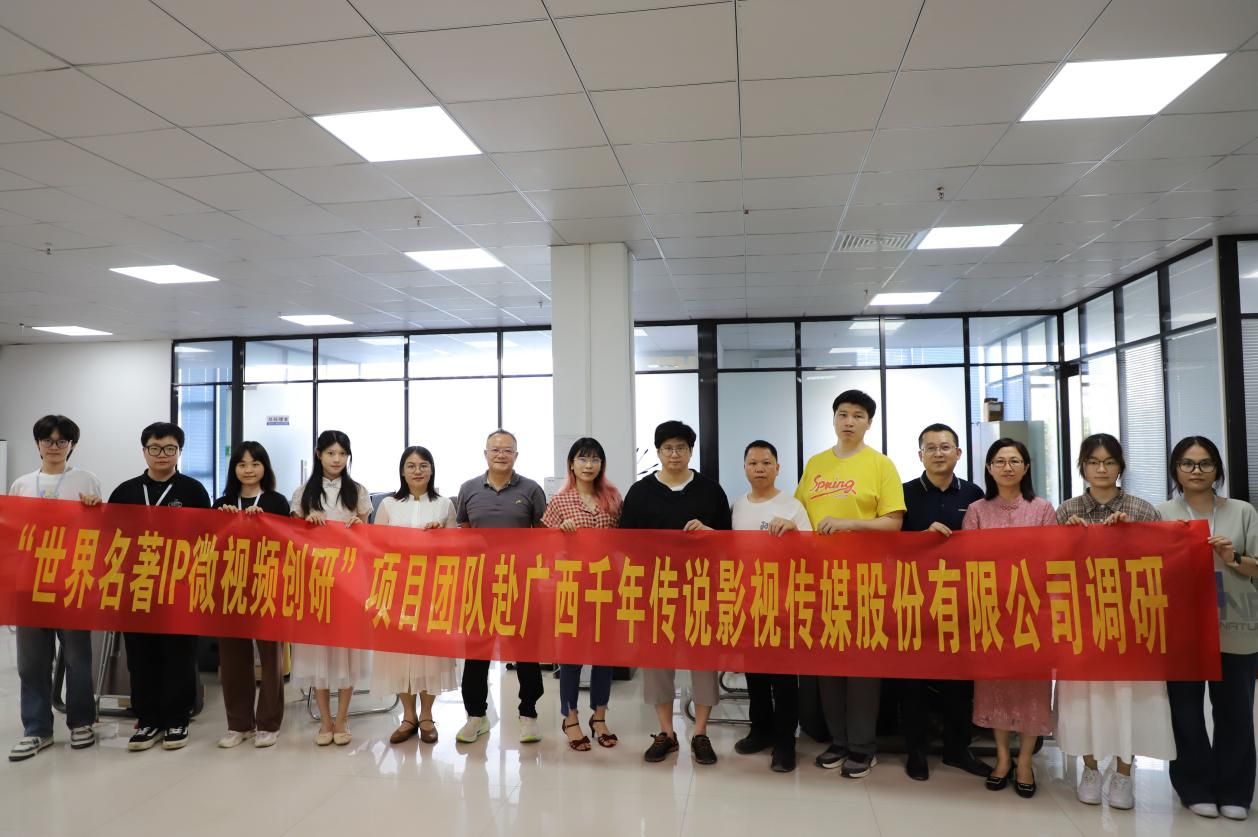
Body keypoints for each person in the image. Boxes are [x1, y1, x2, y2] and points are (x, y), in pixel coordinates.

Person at [1055, 434, 1172, 810]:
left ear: (1121, 466)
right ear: (1083, 467)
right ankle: (1090, 768)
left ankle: (1124, 772)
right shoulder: (1067, 510)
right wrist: (1067, 540)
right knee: (1084, 698)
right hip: (1083, 621)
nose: (1101, 469)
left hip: (1130, 623)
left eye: (1109, 462)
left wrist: (1131, 537)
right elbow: (1050, 568)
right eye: (1093, 462)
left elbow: (1163, 564)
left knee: (1127, 697)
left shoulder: (1142, 509)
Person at [795, 390, 904, 779]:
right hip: (820, 582)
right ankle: (839, 741)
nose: (849, 421)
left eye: (858, 415)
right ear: (833, 419)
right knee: (828, 666)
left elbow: (894, 523)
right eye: (842, 414)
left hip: (865, 582)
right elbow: (800, 514)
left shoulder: (880, 465)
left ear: (869, 423)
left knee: (861, 667)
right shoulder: (816, 463)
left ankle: (862, 746)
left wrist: (849, 524)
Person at [1157, 436, 1258, 822]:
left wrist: (1232, 556)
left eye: (1205, 463)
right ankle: (1194, 786)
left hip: (1235, 624)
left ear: (1217, 469)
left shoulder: (1242, 511)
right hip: (1182, 629)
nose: (1196, 471)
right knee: (1185, 712)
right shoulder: (1161, 513)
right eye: (1187, 463)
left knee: (1235, 711)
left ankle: (1235, 790)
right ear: (1176, 469)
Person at [620, 420, 731, 766]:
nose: (674, 454)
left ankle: (700, 732)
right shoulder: (640, 492)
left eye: (681, 447)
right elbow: (625, 544)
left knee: (704, 660)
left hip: (701, 587)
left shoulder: (710, 491)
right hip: (655, 589)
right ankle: (666, 733)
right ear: (658, 452)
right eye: (668, 448)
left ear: (690, 451)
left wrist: (710, 533)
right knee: (657, 662)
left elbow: (729, 542)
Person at [109, 421, 212, 752]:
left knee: (178, 654)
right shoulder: (124, 492)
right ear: (144, 451)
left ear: (179, 452)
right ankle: (147, 719)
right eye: (155, 448)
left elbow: (208, 536)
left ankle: (177, 718)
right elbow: (106, 534)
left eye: (170, 448)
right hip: (136, 587)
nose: (162, 454)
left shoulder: (194, 491)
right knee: (141, 656)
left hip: (178, 587)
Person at [963, 438, 1056, 799]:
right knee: (995, 687)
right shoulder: (976, 510)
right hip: (992, 613)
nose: (1007, 467)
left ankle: (1025, 761)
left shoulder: (1043, 509)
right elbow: (968, 559)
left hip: (1032, 613)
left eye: (1014, 460)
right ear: (989, 468)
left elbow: (1051, 559)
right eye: (999, 461)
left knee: (1032, 688)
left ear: (1026, 467)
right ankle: (1003, 757)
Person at [897, 423, 990, 781]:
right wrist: (919, 539)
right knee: (913, 680)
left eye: (945, 447)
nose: (939, 453)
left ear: (958, 453)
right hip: (914, 597)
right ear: (920, 454)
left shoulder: (974, 494)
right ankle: (916, 751)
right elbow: (888, 546)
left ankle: (956, 749)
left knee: (959, 679)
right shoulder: (903, 494)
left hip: (959, 599)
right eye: (931, 447)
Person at [8, 415, 102, 762]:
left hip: (71, 583)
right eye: (48, 440)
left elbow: (99, 532)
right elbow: (11, 536)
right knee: (31, 662)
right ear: (38, 444)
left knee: (78, 658)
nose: (54, 446)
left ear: (71, 445)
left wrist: (94, 511)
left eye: (62, 441)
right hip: (30, 585)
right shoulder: (21, 484)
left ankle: (81, 723)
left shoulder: (86, 480)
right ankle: (37, 729)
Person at [455, 429, 548, 745]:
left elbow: (543, 534)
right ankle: (476, 716)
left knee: (526, 651)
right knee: (476, 651)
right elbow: (465, 531)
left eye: (507, 450)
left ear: (516, 456)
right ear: (485, 454)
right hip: (480, 584)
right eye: (495, 449)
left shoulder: (531, 489)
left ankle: (528, 714)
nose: (501, 454)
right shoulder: (468, 489)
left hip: (521, 584)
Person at [731, 440, 811, 773]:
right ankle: (760, 730)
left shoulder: (793, 506)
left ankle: (785, 741)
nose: (760, 469)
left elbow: (811, 553)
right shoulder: (738, 506)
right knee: (755, 673)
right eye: (753, 463)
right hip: (748, 603)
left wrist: (794, 531)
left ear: (778, 468)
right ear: (745, 468)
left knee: (783, 677)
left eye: (766, 463)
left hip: (783, 604)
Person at [290, 430, 373, 747]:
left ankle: (342, 719)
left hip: (349, 578)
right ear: (318, 455)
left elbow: (368, 538)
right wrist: (306, 524)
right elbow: (292, 538)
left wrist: (359, 526)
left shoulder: (358, 491)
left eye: (342, 454)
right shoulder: (303, 493)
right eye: (330, 453)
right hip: (316, 579)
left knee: (347, 647)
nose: (337, 459)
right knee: (319, 650)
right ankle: (325, 721)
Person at [541, 437, 623, 752]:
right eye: (582, 459)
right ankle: (570, 716)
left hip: (607, 585)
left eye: (595, 459)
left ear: (601, 465)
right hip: (572, 587)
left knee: (604, 655)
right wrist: (560, 533)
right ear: (572, 465)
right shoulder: (560, 502)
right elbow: (545, 547)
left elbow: (626, 541)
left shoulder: (613, 498)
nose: (589, 465)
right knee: (571, 656)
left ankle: (599, 716)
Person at [372, 446, 458, 746]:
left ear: (431, 470)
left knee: (430, 653)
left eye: (423, 465)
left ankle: (427, 715)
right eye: (411, 466)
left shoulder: (444, 504)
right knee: (399, 655)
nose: (417, 471)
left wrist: (441, 533)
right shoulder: (388, 505)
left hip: (432, 588)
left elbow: (456, 547)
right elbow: (375, 546)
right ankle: (408, 716)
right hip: (397, 588)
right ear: (402, 471)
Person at [212, 441, 291, 750]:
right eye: (242, 464)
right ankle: (239, 724)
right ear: (234, 469)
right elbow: (210, 544)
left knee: (271, 657)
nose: (248, 470)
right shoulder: (222, 502)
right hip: (230, 586)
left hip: (267, 585)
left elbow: (287, 543)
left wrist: (264, 522)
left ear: (264, 468)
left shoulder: (276, 501)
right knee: (233, 658)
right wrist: (223, 519)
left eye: (255, 464)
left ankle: (269, 724)